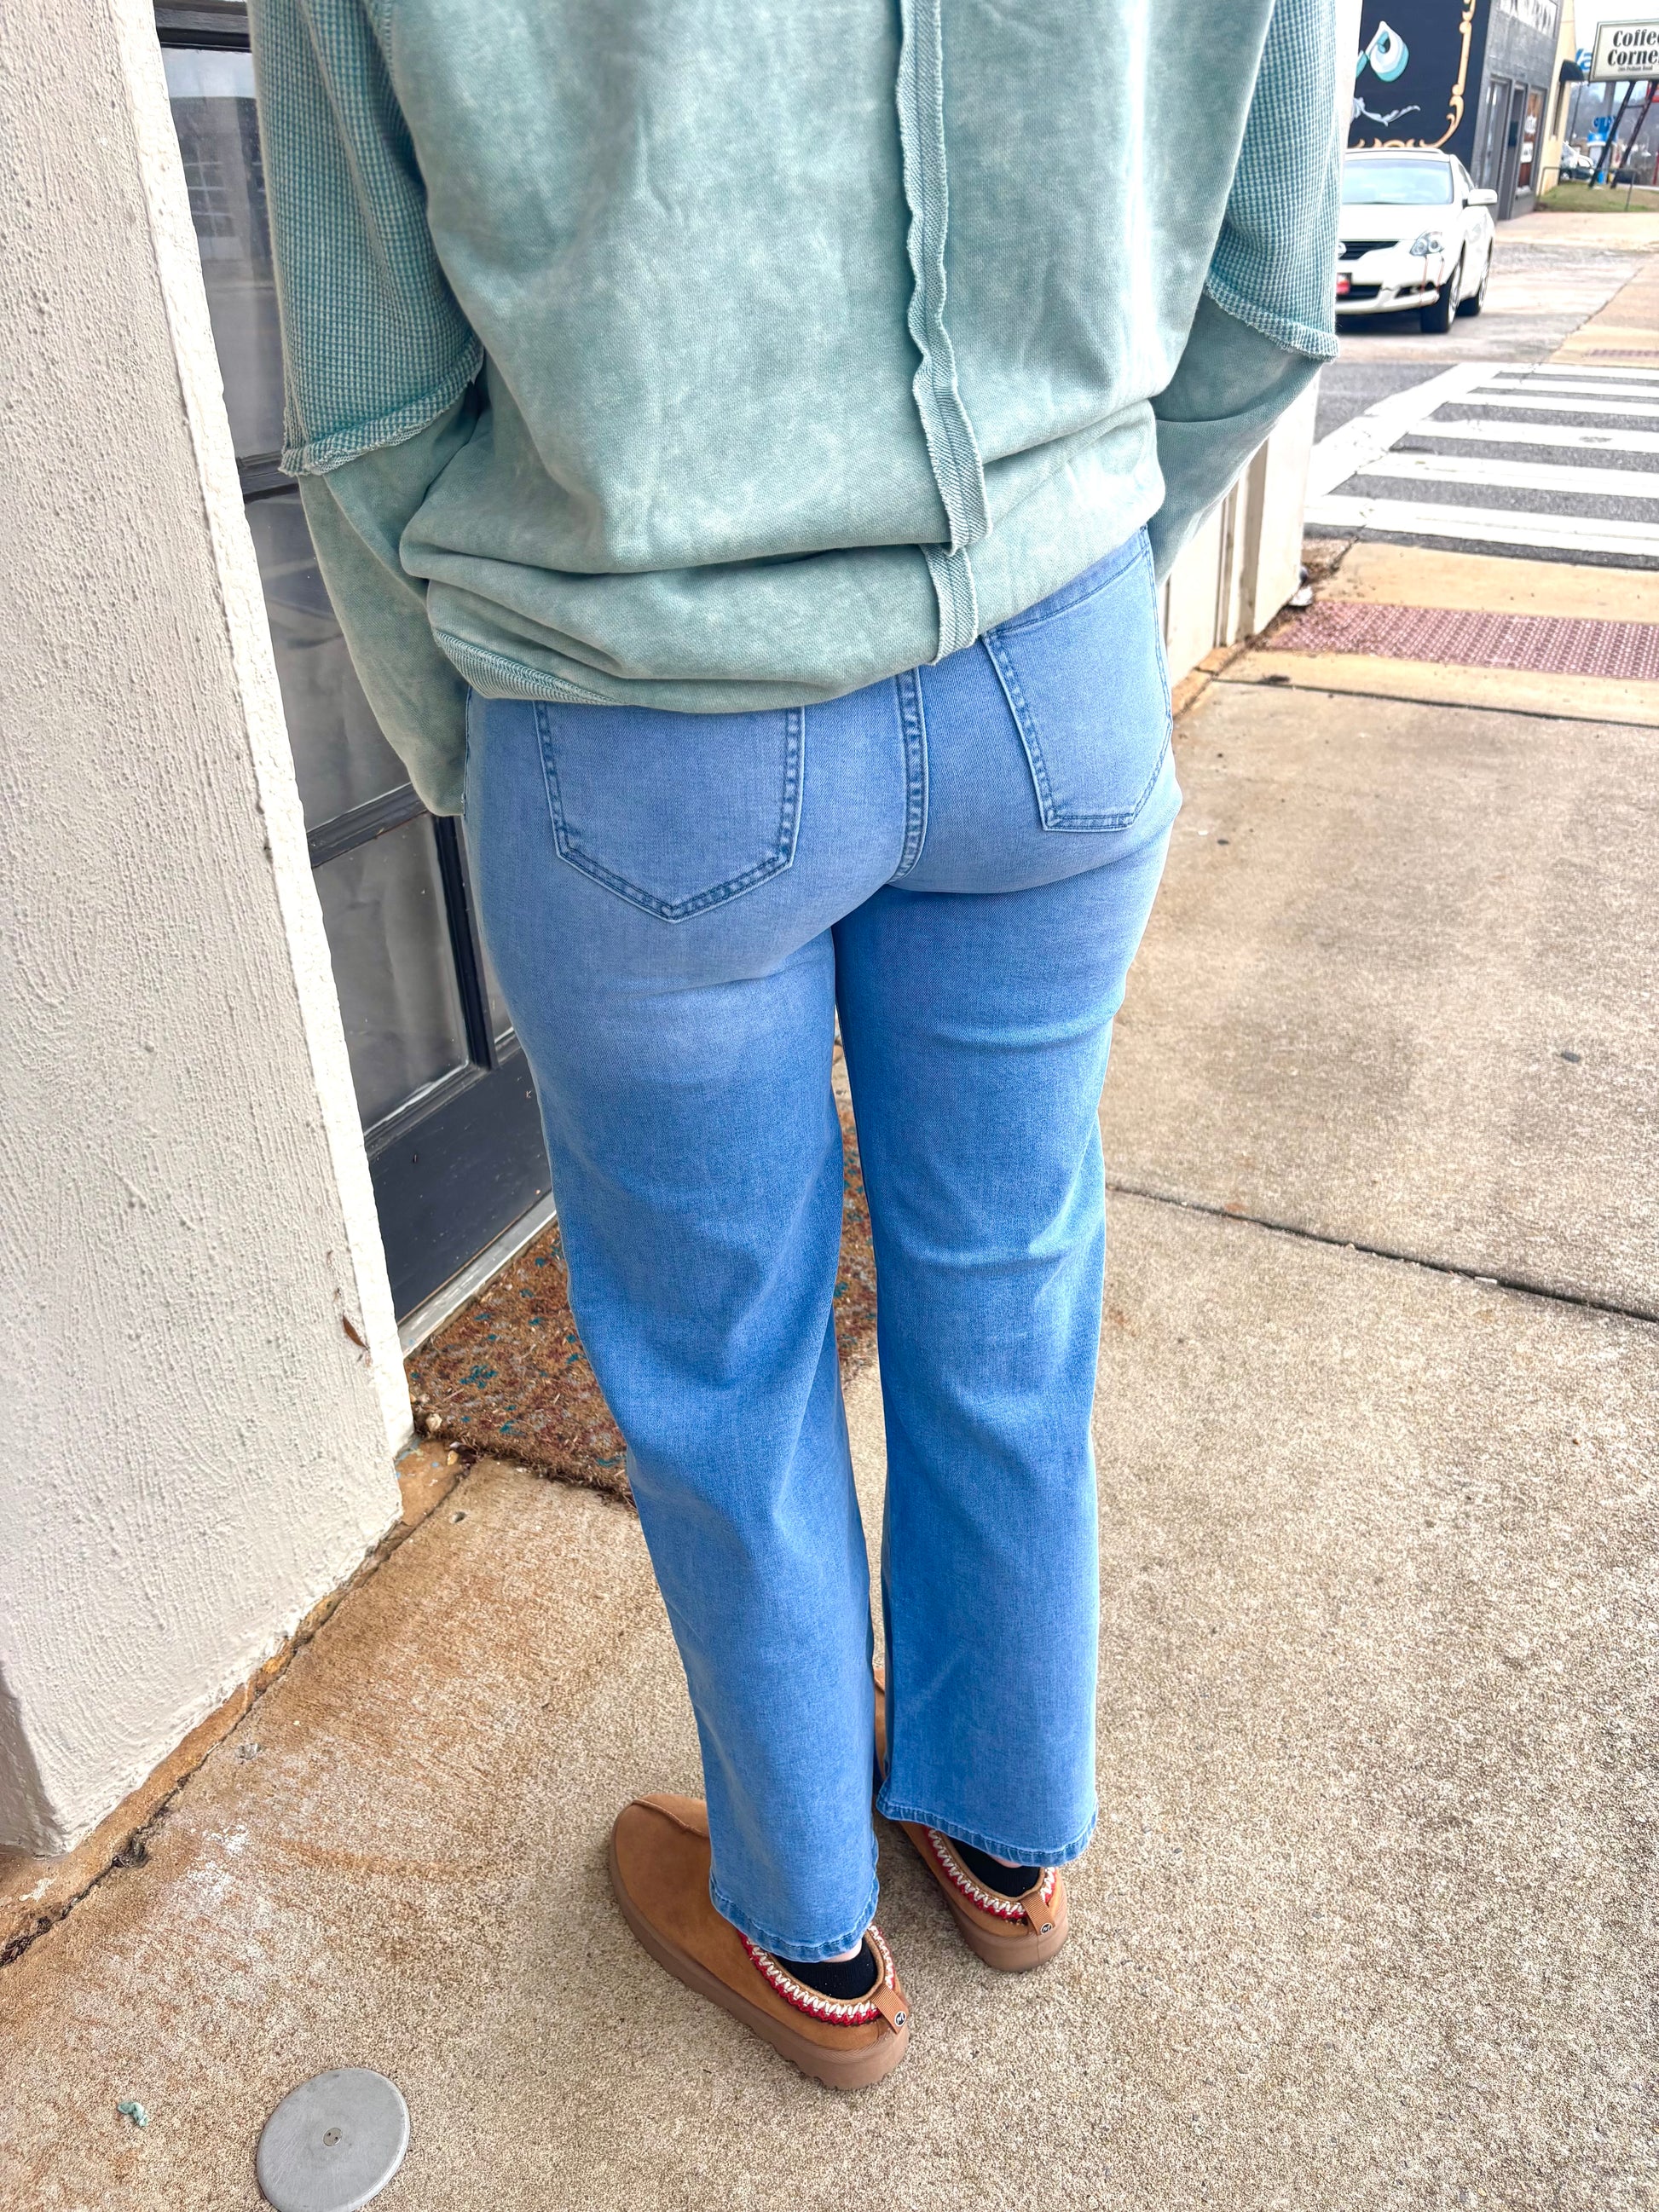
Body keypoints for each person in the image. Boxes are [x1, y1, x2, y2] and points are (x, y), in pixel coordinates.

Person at [250, 0, 1339, 2090]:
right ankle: (1002, 1835)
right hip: (1050, 661)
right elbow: (1271, 288)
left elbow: (373, 406)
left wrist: (492, 750)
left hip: (635, 696)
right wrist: (1073, 573)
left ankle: (810, 1930)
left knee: (720, 1357)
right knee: (1006, 1275)